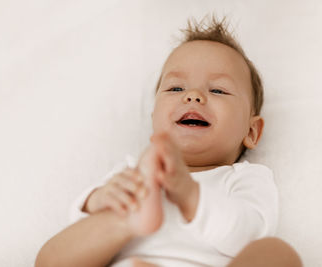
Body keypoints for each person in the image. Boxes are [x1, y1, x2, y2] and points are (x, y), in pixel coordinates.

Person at [35, 16, 302, 267]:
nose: (193, 96)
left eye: (218, 90)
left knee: (277, 252)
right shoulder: (137, 174)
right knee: (52, 257)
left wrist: (191, 196)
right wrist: (99, 200)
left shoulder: (244, 178)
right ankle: (129, 221)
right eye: (176, 88)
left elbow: (249, 233)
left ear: (252, 132)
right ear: (154, 119)